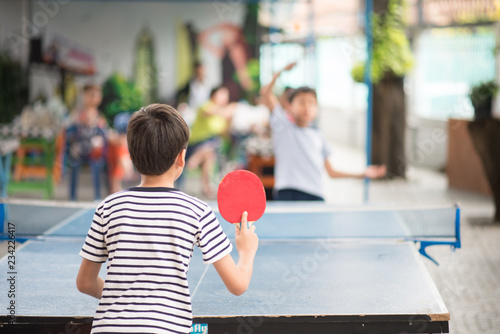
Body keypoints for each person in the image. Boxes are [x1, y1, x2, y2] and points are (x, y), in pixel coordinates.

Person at [76, 104, 259, 334]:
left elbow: (85, 283)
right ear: (182, 158)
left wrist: (127, 297)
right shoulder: (198, 211)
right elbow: (238, 285)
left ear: (131, 156)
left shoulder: (108, 207)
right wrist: (247, 251)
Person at [261, 63, 387, 201]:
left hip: (315, 195)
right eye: (302, 102)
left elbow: (332, 172)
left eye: (311, 103)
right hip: (287, 192)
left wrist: (363, 174)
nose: (307, 107)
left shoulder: (319, 136)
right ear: (289, 106)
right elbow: (266, 93)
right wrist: (280, 72)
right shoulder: (283, 127)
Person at [184, 86, 236, 197]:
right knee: (209, 149)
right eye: (222, 94)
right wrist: (230, 109)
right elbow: (211, 112)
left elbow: (225, 134)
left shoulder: (222, 117)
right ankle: (195, 160)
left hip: (211, 147)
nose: (225, 98)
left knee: (210, 153)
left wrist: (229, 121)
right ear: (213, 95)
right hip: (195, 144)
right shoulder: (205, 106)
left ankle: (205, 186)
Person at [66, 84, 107, 201]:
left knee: (98, 161)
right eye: (91, 95)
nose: (95, 98)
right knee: (74, 159)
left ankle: (98, 195)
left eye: (97, 95)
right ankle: (72, 195)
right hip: (79, 148)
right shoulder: (78, 112)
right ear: (85, 96)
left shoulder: (99, 114)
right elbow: (70, 128)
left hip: (94, 150)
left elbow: (103, 131)